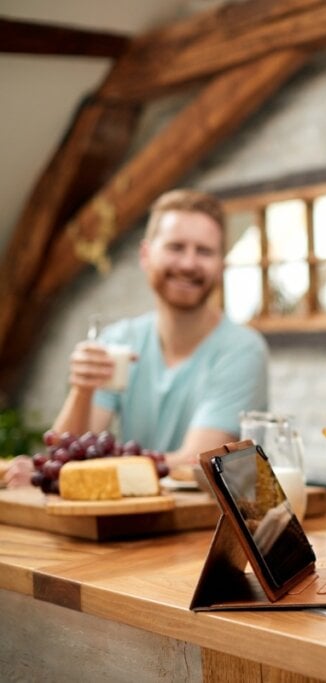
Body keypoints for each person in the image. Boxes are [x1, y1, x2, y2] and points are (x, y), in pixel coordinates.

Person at [5, 189, 269, 485]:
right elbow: (63, 457)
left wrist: (90, 469)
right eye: (176, 247)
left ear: (221, 264)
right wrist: (82, 389)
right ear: (146, 255)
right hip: (127, 522)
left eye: (204, 251)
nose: (188, 263)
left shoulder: (242, 350)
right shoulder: (119, 341)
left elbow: (195, 463)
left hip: (206, 525)